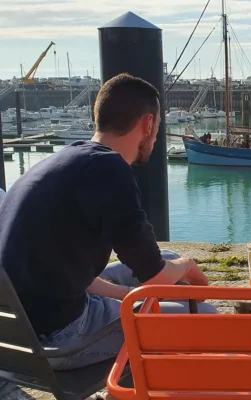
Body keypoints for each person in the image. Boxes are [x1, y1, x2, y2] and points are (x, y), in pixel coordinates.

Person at [0, 73, 217, 373]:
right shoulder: (109, 170)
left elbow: (70, 273)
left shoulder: (63, 161)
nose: (155, 138)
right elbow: (154, 279)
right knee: (202, 314)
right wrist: (188, 266)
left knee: (165, 259)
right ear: (148, 124)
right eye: (157, 130)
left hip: (20, 334)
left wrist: (127, 295)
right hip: (60, 339)